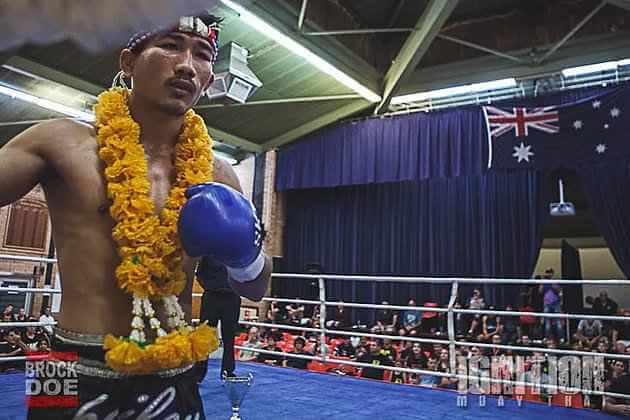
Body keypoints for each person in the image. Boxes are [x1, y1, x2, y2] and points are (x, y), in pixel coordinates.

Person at [0, 13, 272, 419]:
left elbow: (255, 289)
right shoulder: (60, 142)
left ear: (209, 80)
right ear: (127, 62)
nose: (186, 64)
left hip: (174, 368)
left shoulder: (217, 174)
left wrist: (245, 254)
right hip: (64, 360)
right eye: (169, 45)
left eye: (202, 54)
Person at [195, 256, 241, 382]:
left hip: (231, 298)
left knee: (229, 337)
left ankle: (228, 372)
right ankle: (198, 372)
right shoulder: (209, 252)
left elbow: (243, 273)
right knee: (204, 336)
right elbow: (199, 274)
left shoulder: (236, 252)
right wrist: (211, 287)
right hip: (212, 297)